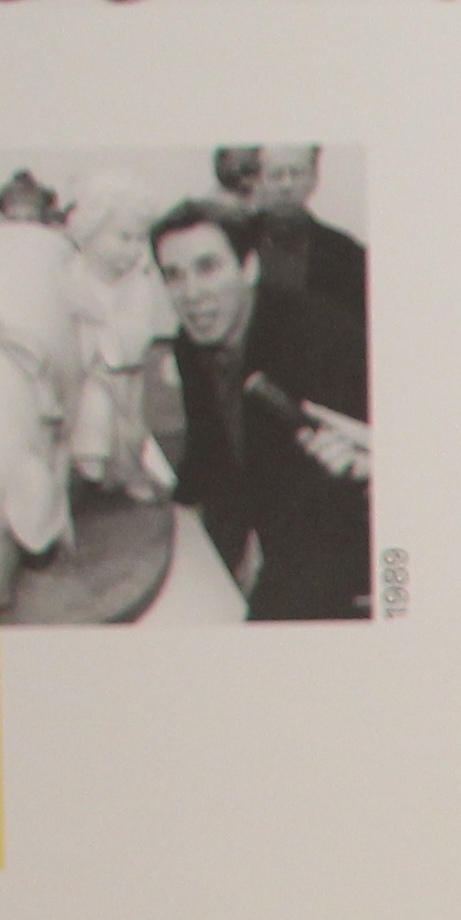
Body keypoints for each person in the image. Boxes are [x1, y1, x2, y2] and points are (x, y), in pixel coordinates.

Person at [149, 196, 372, 621]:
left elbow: (328, 506)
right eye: (173, 276)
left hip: (339, 527)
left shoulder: (317, 332)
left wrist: (257, 569)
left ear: (248, 268)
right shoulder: (189, 344)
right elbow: (209, 454)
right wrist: (163, 504)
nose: (191, 294)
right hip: (264, 517)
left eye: (208, 267)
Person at [212, 146, 368, 326]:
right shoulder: (231, 240)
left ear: (314, 178)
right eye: (276, 175)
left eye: (296, 173)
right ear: (260, 180)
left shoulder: (345, 252)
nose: (286, 185)